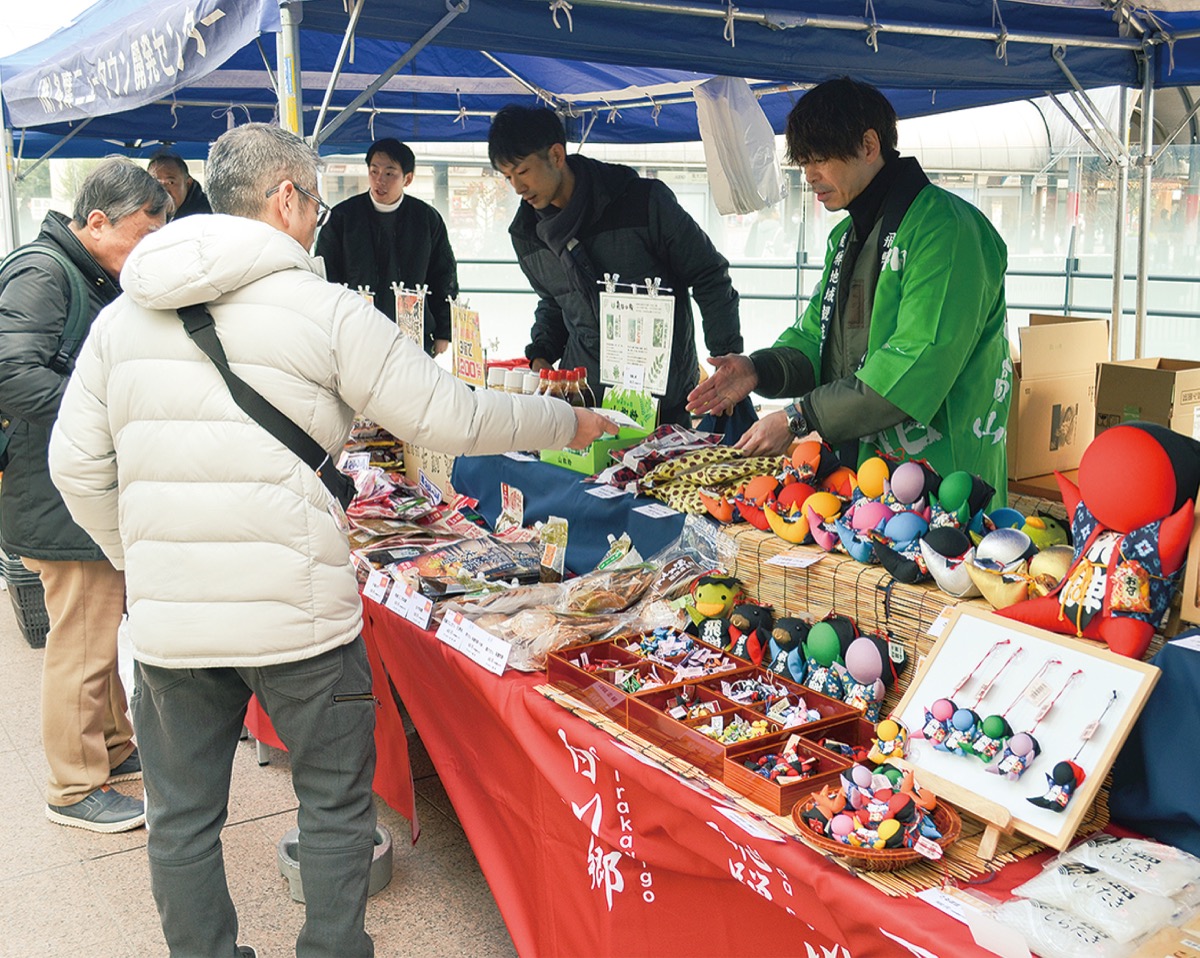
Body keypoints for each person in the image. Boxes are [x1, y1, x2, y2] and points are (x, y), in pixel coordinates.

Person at [48, 122, 614, 958]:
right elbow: (451, 416)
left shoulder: (123, 317)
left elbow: (73, 467)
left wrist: (142, 560)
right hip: (300, 621)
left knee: (181, 819)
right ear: (285, 197)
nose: (318, 218)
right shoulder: (325, 309)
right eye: (314, 201)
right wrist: (569, 421)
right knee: (334, 805)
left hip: (174, 629)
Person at [687, 77, 1011, 503]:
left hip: (945, 480)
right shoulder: (846, 237)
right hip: (868, 480)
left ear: (869, 145)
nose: (810, 176)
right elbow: (816, 339)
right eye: (804, 162)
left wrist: (799, 416)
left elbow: (916, 362)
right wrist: (757, 369)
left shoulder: (947, 230)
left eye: (820, 159)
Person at [0, 157, 170, 832]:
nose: (149, 251)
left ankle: (113, 746)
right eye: (143, 235)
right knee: (82, 640)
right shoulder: (43, 273)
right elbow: (9, 372)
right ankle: (73, 786)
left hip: (70, 486)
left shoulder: (83, 272)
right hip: (55, 492)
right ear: (97, 222)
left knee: (99, 628)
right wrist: (104, 409)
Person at [488, 105, 743, 427]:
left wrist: (726, 358)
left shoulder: (642, 202)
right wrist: (541, 353)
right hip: (584, 404)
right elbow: (555, 301)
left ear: (556, 155)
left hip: (661, 402)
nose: (517, 187)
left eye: (523, 171)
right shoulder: (527, 235)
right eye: (507, 177)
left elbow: (708, 274)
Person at [316, 138, 459, 357]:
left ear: (407, 179)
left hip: (412, 334)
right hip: (356, 333)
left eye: (389, 173)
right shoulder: (343, 217)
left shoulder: (426, 219)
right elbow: (326, 276)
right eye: (374, 171)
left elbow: (443, 275)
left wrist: (443, 331)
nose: (379, 180)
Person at [148, 150, 212, 218]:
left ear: (188, 184)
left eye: (170, 182)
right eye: (156, 183)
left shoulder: (205, 216)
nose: (163, 190)